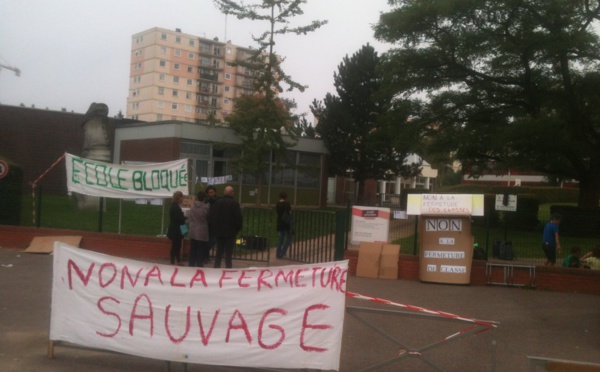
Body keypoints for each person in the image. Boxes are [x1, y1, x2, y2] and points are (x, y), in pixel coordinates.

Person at [210, 185, 242, 268]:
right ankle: (228, 268)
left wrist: (214, 228)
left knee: (219, 251)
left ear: (224, 193)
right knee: (228, 252)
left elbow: (212, 216)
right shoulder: (234, 203)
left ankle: (216, 267)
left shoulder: (217, 202)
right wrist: (237, 229)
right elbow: (238, 218)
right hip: (230, 232)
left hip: (219, 231)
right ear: (232, 193)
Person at [187, 191, 210, 267]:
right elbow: (209, 218)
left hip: (193, 229)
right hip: (202, 230)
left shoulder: (192, 207)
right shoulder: (206, 208)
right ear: (204, 198)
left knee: (193, 248)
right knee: (201, 248)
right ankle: (199, 263)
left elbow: (189, 217)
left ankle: (191, 263)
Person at [167, 191, 187, 265]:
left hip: (175, 228)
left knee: (176, 245)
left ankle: (175, 260)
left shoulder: (175, 206)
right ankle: (176, 261)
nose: (182, 199)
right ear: (179, 198)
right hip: (176, 229)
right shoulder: (175, 207)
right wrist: (184, 217)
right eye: (182, 197)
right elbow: (178, 219)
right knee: (176, 245)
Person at [275, 191, 292, 259]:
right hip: (286, 223)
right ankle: (283, 252)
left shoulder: (277, 204)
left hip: (280, 222)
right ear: (286, 197)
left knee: (281, 238)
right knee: (289, 238)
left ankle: (278, 253)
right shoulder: (287, 204)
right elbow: (290, 212)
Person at [204, 185, 219, 264]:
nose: (211, 194)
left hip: (215, 224)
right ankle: (206, 256)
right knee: (207, 241)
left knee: (213, 240)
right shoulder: (206, 201)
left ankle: (205, 254)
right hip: (207, 224)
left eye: (212, 192)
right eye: (210, 192)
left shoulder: (218, 200)